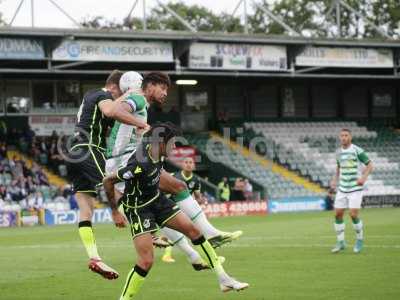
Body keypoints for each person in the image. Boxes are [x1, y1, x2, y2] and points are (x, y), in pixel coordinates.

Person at [102, 123, 249, 300]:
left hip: (157, 200)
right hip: (139, 210)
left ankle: (224, 279)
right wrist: (115, 212)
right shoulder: (140, 164)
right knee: (146, 261)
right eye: (172, 143)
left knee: (194, 231)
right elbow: (108, 181)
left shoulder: (156, 151)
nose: (174, 147)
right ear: (162, 143)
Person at [106, 71, 242, 250]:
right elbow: (114, 111)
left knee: (164, 198)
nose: (165, 93)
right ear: (150, 85)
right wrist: (143, 126)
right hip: (126, 160)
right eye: (162, 88)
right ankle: (209, 234)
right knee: (178, 188)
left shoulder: (137, 101)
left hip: (123, 160)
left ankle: (195, 252)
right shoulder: (138, 99)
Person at [66, 70, 150, 280]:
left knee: (86, 209)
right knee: (114, 184)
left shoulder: (92, 99)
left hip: (75, 152)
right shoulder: (101, 95)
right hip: (88, 148)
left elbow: (111, 115)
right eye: (118, 93)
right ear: (114, 87)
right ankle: (146, 230)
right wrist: (140, 122)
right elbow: (111, 110)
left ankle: (94, 257)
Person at [162, 156, 241, 264]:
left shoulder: (195, 180)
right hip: (173, 208)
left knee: (193, 232)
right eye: (186, 162)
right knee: (177, 232)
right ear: (182, 165)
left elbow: (198, 196)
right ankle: (168, 255)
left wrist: (201, 200)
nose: (189, 164)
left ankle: (206, 255)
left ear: (194, 166)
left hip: (186, 208)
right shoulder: (174, 176)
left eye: (191, 162)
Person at [330, 128, 373, 254]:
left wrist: (363, 178)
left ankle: (359, 240)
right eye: (342, 136)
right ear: (339, 137)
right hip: (342, 188)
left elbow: (370, 165)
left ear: (350, 137)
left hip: (355, 188)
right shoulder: (338, 153)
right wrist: (334, 180)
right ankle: (341, 242)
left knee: (353, 215)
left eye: (346, 135)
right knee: (338, 214)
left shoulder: (357, 150)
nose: (343, 137)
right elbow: (339, 167)